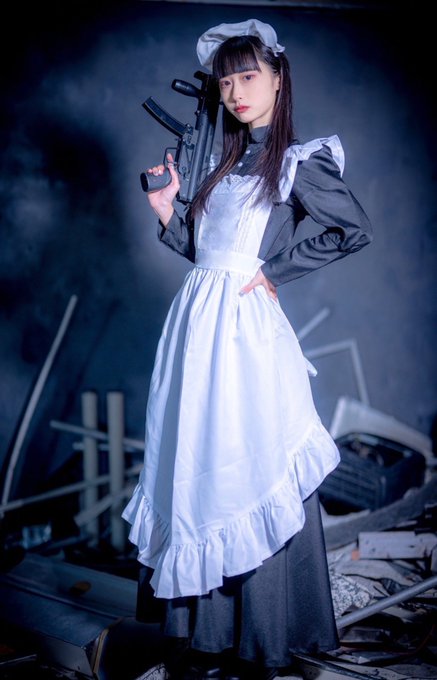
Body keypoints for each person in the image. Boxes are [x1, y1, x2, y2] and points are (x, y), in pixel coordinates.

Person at [123, 18, 372, 680]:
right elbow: (202, 254)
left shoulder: (298, 160)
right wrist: (167, 207)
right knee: (195, 462)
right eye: (226, 80)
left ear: (278, 79)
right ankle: (200, 639)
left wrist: (275, 271)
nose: (234, 91)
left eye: (248, 76)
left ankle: (260, 640)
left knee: (245, 464)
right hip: (194, 332)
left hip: (243, 337)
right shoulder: (221, 161)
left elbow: (351, 228)